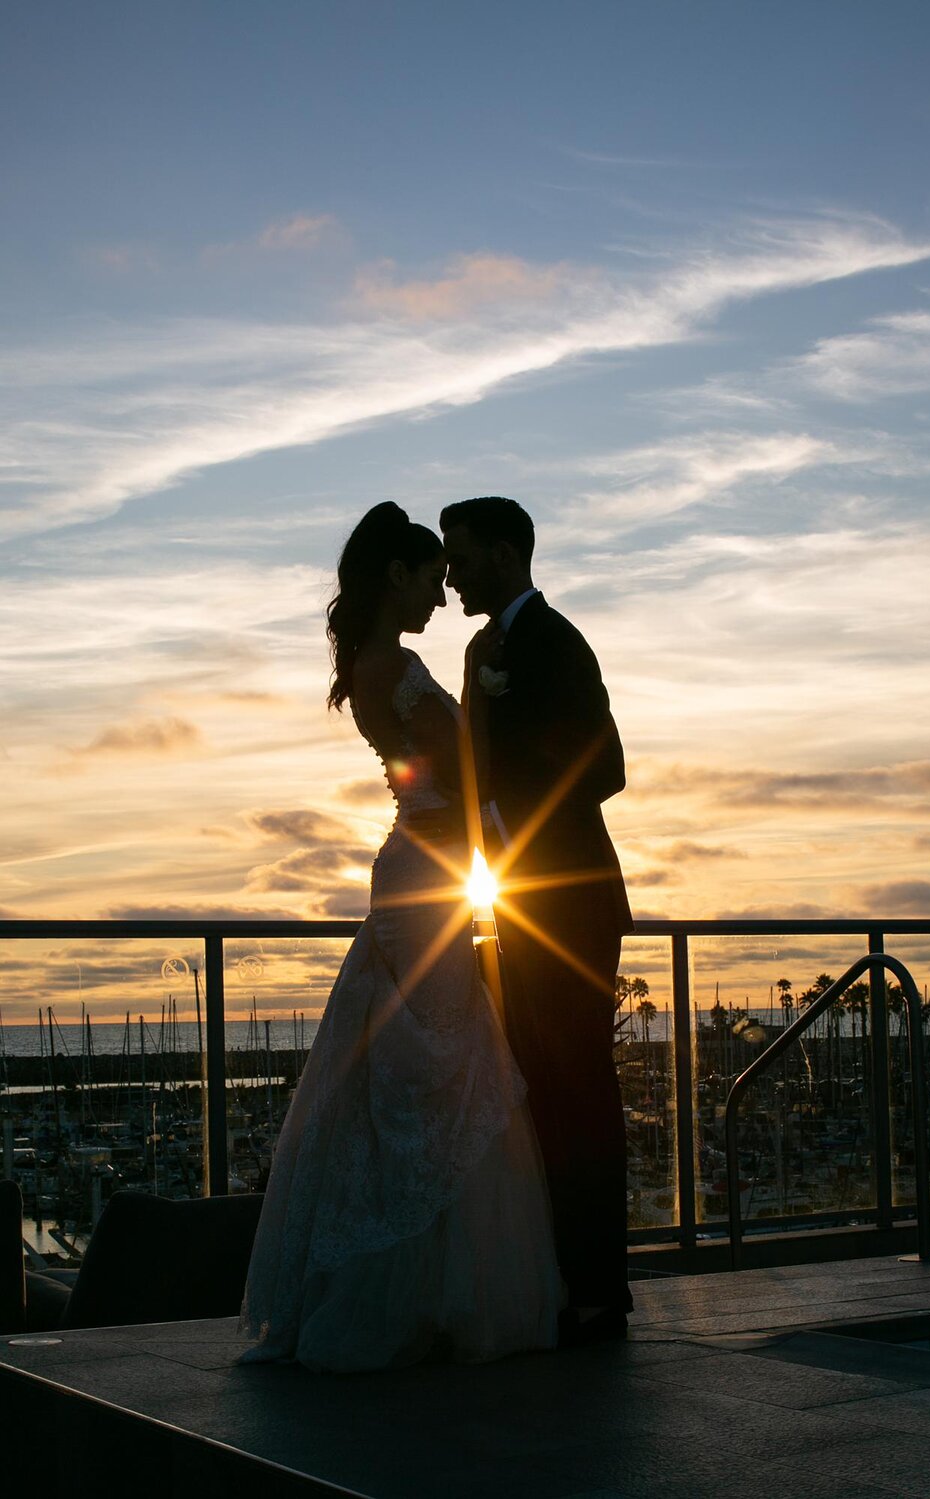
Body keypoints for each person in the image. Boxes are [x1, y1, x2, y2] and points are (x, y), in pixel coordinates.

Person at [240, 502, 561, 1372]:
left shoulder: (377, 668)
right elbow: (458, 780)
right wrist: (477, 693)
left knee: (425, 1072)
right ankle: (416, 1288)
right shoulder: (401, 668)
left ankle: (413, 1281)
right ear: (397, 576)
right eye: (428, 576)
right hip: (424, 878)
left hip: (422, 875)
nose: (439, 592)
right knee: (438, 1071)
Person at [440, 496, 633, 1343]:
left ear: (508, 552)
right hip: (518, 903)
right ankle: (558, 1276)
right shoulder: (485, 649)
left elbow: (607, 764)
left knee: (582, 1089)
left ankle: (599, 1290)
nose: (452, 572)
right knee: (538, 1093)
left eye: (464, 554)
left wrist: (513, 810)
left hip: (573, 900)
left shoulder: (558, 641)